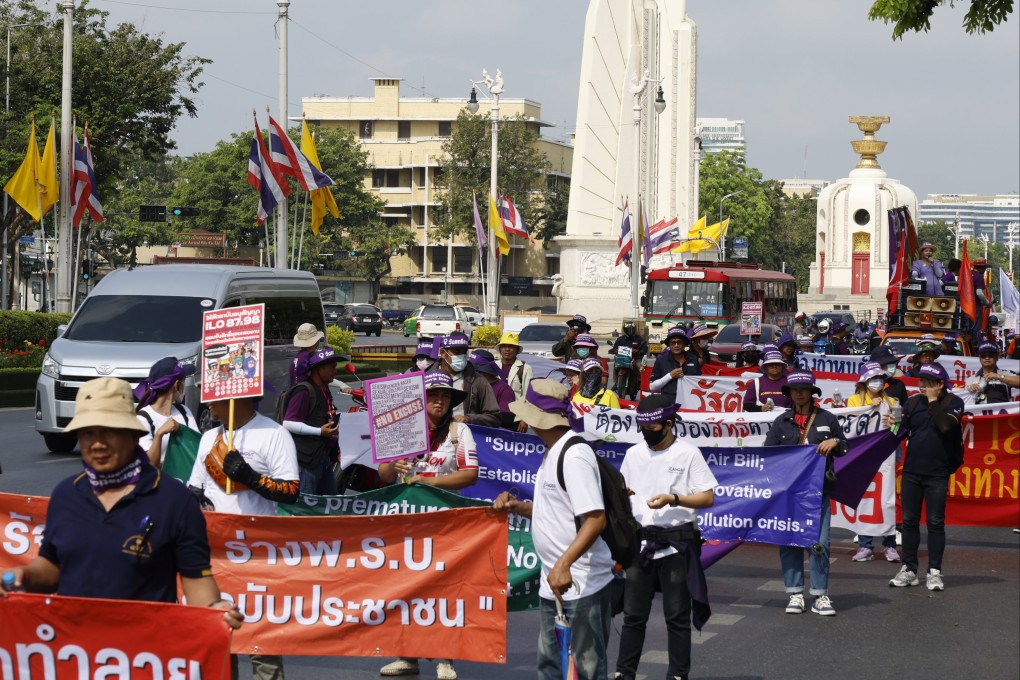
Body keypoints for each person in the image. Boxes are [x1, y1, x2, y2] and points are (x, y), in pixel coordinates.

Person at [1, 378, 241, 628]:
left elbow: (196, 578)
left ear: (133, 434)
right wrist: (23, 576)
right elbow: (52, 565)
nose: (97, 443)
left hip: (146, 656)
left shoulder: (175, 500)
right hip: (73, 652)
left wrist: (215, 610)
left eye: (109, 431)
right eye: (88, 433)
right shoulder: (66, 495)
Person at [492, 380, 616, 680]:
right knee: (551, 667)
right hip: (556, 584)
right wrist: (518, 507)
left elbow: (596, 519)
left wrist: (563, 564)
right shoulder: (553, 451)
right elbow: (556, 511)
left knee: (584, 670)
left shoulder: (573, 456)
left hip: (581, 582)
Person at [188, 395, 300, 680]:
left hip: (258, 556)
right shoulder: (208, 438)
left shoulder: (275, 434)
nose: (208, 404)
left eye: (215, 399)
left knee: (262, 640)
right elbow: (196, 488)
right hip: (217, 555)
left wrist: (252, 478)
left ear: (238, 399)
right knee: (219, 637)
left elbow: (291, 491)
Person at [378, 371, 478, 680]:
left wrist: (427, 479)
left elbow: (470, 474)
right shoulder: (402, 429)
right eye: (433, 394)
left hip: (445, 524)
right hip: (404, 526)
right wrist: (393, 465)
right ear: (422, 399)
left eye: (445, 396)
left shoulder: (458, 433)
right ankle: (406, 656)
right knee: (404, 590)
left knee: (443, 593)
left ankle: (445, 659)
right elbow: (383, 475)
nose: (439, 400)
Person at [614, 395, 716, 680]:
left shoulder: (688, 453)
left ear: (668, 424)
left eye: (653, 427)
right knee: (633, 615)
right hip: (641, 544)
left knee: (677, 617)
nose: (647, 433)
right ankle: (624, 672)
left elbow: (707, 497)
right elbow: (625, 491)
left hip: (677, 544)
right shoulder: (634, 454)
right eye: (642, 427)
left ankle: (677, 674)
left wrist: (674, 499)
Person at [764, 370, 848, 616]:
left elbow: (845, 446)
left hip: (818, 492)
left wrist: (834, 442)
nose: (799, 393)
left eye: (804, 389)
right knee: (789, 541)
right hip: (789, 494)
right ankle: (795, 594)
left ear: (812, 392)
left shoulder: (827, 418)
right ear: (789, 393)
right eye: (794, 389)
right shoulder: (781, 421)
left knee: (819, 543)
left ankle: (820, 595)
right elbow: (768, 454)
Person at [887, 363, 965, 592]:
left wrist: (932, 401)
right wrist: (894, 426)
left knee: (935, 523)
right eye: (920, 381)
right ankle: (909, 569)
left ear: (940, 384)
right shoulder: (912, 402)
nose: (922, 386)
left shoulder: (954, 403)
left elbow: (945, 426)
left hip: (937, 474)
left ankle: (934, 572)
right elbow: (903, 431)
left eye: (928, 383)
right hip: (912, 472)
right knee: (909, 522)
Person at [847, 362, 900, 563]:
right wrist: (869, 408)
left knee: (887, 499)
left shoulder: (893, 402)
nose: (877, 382)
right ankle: (865, 545)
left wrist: (893, 424)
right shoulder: (853, 401)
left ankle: (890, 545)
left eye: (879, 379)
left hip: (885, 456)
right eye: (872, 379)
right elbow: (851, 425)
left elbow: (898, 430)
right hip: (863, 455)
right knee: (864, 499)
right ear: (864, 381)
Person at [281, 347, 341, 496]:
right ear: (319, 368)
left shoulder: (325, 389)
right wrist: (320, 431)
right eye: (332, 367)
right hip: (306, 462)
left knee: (330, 505)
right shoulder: (304, 391)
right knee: (305, 509)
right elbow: (288, 422)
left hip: (323, 459)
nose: (335, 370)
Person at [134, 356, 199, 468]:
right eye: (183, 381)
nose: (184, 386)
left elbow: (197, 449)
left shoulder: (185, 412)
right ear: (177, 384)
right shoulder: (143, 419)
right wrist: (159, 434)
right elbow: (149, 466)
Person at [435, 332, 501, 427]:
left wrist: (469, 419)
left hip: (465, 437)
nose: (461, 356)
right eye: (457, 351)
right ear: (442, 353)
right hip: (435, 437)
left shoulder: (478, 380)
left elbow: (495, 417)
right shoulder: (428, 378)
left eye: (464, 352)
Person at [470, 349, 520, 430]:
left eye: (473, 371)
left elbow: (503, 419)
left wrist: (473, 418)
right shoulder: (468, 385)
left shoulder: (505, 390)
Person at [649, 327, 699, 402]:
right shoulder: (661, 360)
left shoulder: (693, 359)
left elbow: (699, 382)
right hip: (668, 403)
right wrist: (670, 375)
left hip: (691, 402)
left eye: (679, 342)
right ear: (668, 344)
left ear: (684, 343)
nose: (676, 345)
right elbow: (652, 387)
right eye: (673, 342)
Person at [609, 320, 648, 401]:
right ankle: (616, 382)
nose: (630, 331)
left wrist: (640, 351)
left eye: (631, 329)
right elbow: (615, 347)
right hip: (623, 359)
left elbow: (644, 347)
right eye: (628, 329)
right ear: (624, 330)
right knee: (615, 364)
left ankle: (641, 383)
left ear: (634, 329)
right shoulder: (620, 339)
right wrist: (613, 350)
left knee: (640, 367)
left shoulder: (639, 339)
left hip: (635, 359)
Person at [496, 331, 533, 401]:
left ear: (517, 349)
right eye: (504, 346)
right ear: (500, 349)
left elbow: (527, 395)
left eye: (511, 346)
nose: (507, 349)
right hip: (496, 409)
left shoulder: (525, 368)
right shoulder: (494, 366)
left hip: (515, 410)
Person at [290, 322, 324, 387]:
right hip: (306, 394)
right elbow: (321, 378)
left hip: (295, 393)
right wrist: (342, 385)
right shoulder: (311, 358)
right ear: (316, 341)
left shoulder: (297, 356)